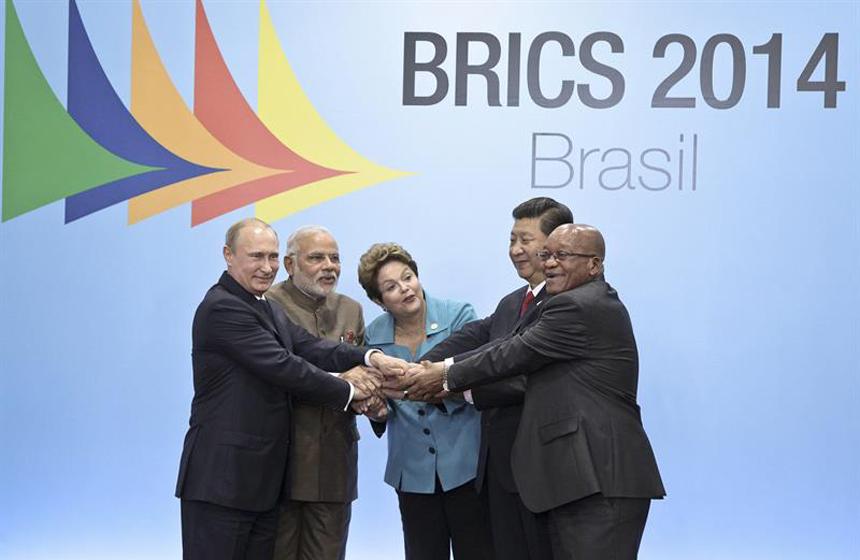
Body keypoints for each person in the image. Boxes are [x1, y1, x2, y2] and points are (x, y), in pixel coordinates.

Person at [406, 224, 665, 560]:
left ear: (594, 265)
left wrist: (443, 376)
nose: (550, 263)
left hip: (602, 479)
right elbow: (503, 345)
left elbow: (512, 353)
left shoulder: (581, 305)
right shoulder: (566, 302)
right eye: (547, 255)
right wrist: (433, 370)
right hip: (577, 482)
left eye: (562, 255)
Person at [175, 218, 407, 560]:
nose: (267, 267)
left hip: (260, 484)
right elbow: (285, 367)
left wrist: (371, 357)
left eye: (271, 256)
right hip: (223, 480)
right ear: (228, 255)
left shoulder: (263, 305)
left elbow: (310, 346)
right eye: (256, 256)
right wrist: (349, 389)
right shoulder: (223, 307)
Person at [419, 197, 572, 560]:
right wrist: (418, 368)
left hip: (542, 470)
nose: (516, 250)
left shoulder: (567, 304)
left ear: (555, 245)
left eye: (526, 240)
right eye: (512, 240)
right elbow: (474, 337)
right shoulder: (512, 302)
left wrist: (449, 386)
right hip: (499, 470)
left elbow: (526, 379)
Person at [357, 243, 494, 560]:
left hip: (467, 465)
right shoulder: (373, 338)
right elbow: (382, 405)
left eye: (408, 277)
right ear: (379, 301)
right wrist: (377, 412)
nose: (405, 288)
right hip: (411, 472)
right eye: (391, 287)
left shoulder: (458, 315)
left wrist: (413, 389)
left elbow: (472, 378)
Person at [265, 226, 365, 560]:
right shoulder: (267, 305)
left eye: (335, 258)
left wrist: (375, 399)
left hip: (335, 464)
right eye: (317, 258)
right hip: (281, 464)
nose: (329, 266)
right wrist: (345, 382)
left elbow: (363, 375)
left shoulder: (351, 309)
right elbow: (277, 374)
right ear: (289, 264)